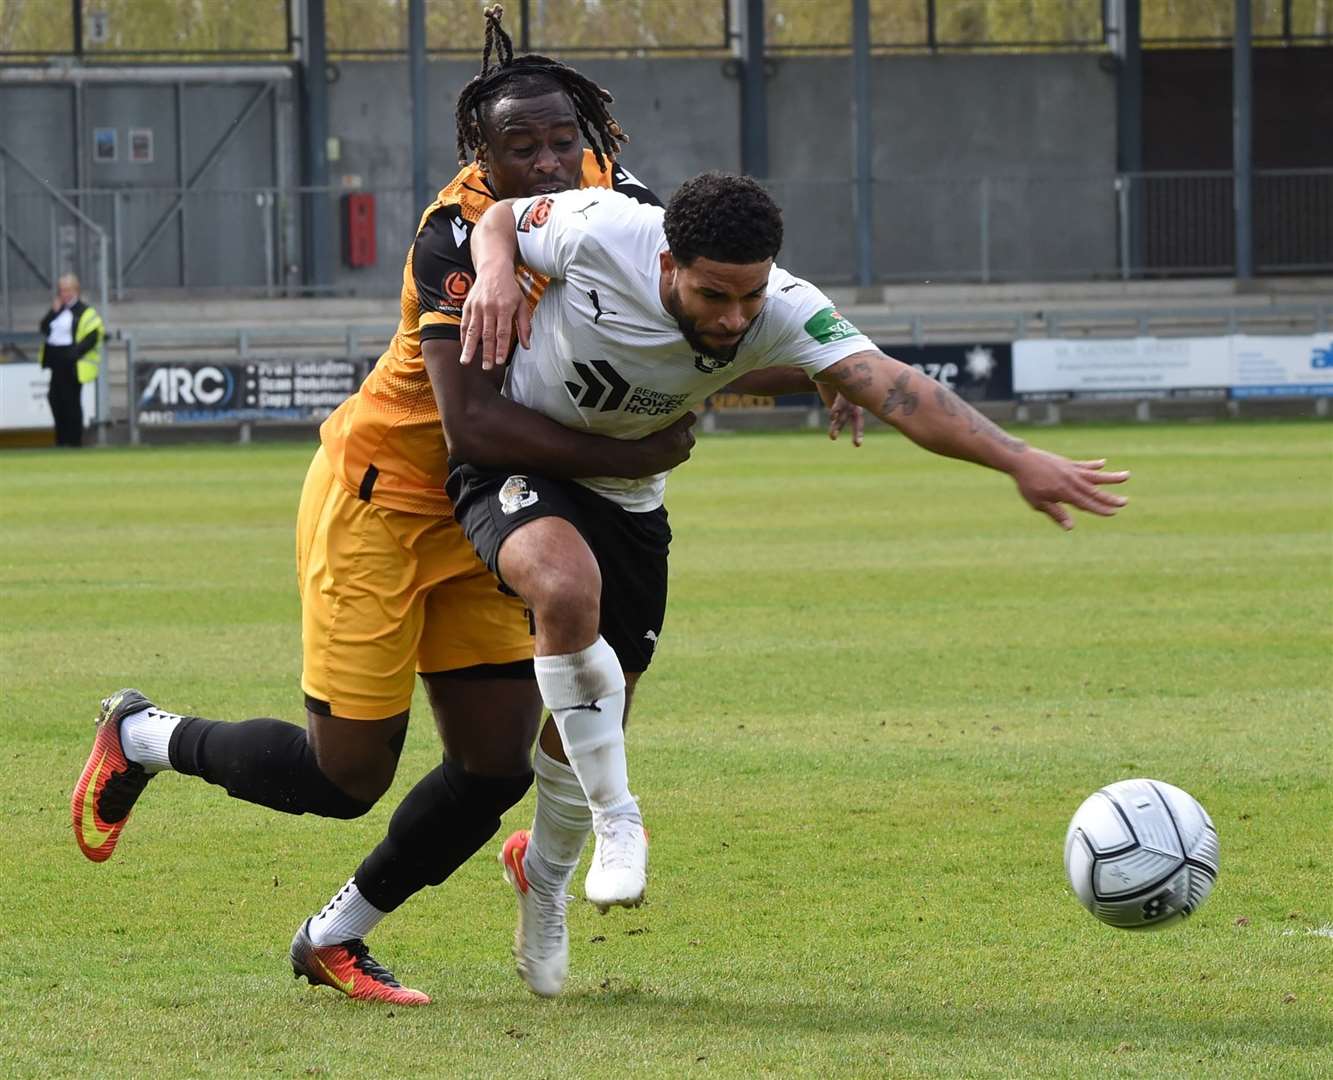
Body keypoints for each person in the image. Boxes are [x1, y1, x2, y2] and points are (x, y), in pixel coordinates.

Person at [69, 5, 721, 1007]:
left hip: (490, 514)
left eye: (563, 140)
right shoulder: (452, 237)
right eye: (521, 146)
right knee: (344, 779)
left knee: (495, 761)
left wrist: (831, 373)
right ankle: (143, 735)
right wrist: (627, 445)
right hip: (381, 499)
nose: (549, 160)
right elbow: (472, 430)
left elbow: (712, 290)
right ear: (479, 155)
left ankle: (335, 935)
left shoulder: (618, 198)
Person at [440, 171, 1132, 997]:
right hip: (518, 462)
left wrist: (1017, 458)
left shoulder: (784, 308)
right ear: (665, 260)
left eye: (750, 295)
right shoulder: (601, 228)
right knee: (562, 588)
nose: (734, 318)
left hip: (630, 497)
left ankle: (543, 878)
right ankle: (618, 815)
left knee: (602, 701)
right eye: (712, 295)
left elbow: (902, 390)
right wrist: (490, 271)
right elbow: (508, 216)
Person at [39, 273, 103, 447]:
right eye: (61, 290)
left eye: (67, 290)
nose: (64, 293)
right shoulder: (58, 309)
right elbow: (44, 328)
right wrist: (53, 311)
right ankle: (61, 440)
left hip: (72, 363)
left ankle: (74, 441)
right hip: (56, 363)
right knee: (55, 400)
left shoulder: (84, 311)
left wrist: (74, 353)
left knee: (71, 402)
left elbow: (93, 335)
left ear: (76, 290)